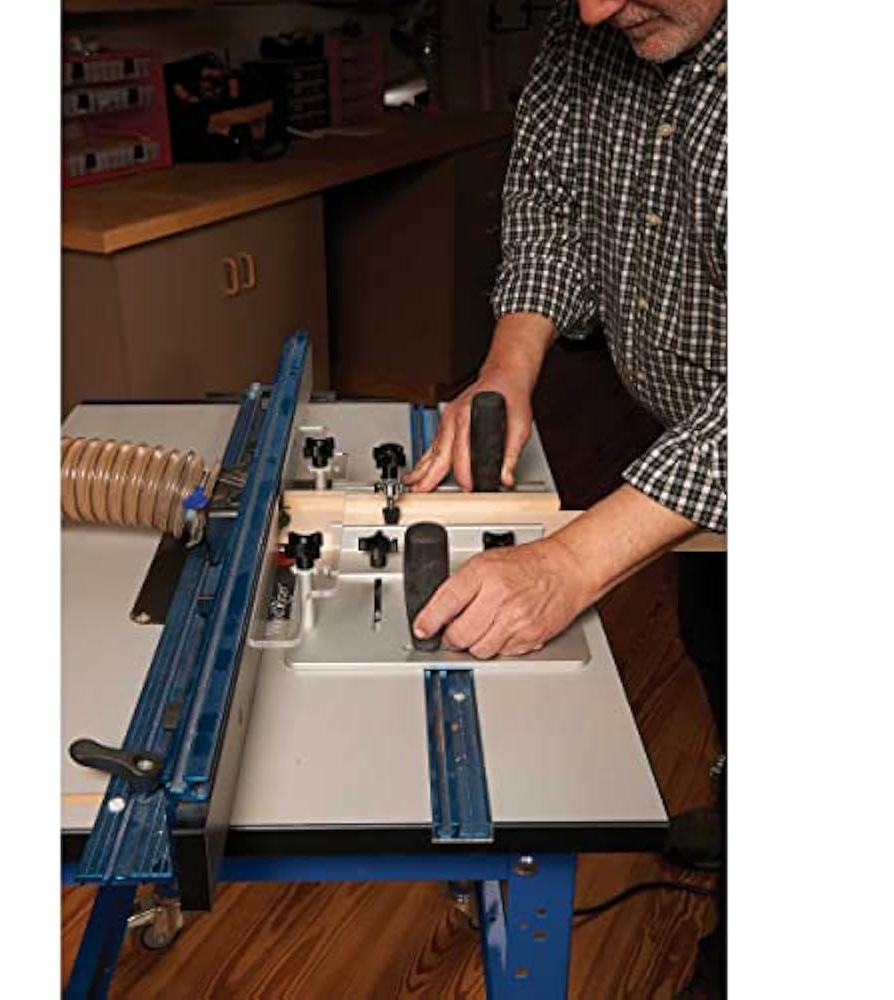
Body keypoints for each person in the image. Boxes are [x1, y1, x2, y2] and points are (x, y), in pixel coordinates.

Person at [403, 2, 726, 996]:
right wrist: (507, 367)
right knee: (720, 640)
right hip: (700, 458)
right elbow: (550, 208)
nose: (591, 11)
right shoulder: (588, 31)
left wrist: (571, 561)